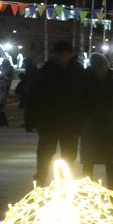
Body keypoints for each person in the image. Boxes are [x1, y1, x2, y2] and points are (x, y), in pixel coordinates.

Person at [24, 41, 84, 183]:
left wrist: (82, 118)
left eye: (63, 54)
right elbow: (34, 96)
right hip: (49, 121)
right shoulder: (46, 71)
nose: (59, 57)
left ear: (70, 55)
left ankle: (65, 182)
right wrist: (30, 119)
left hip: (71, 122)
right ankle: (40, 181)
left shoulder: (78, 72)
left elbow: (85, 97)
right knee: (44, 153)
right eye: (57, 54)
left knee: (69, 155)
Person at [79, 53, 113, 190]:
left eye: (104, 67)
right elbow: (80, 108)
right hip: (91, 131)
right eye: (99, 68)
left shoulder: (112, 85)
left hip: (110, 130)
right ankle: (85, 194)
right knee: (89, 163)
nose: (103, 70)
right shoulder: (86, 84)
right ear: (93, 68)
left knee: (111, 164)